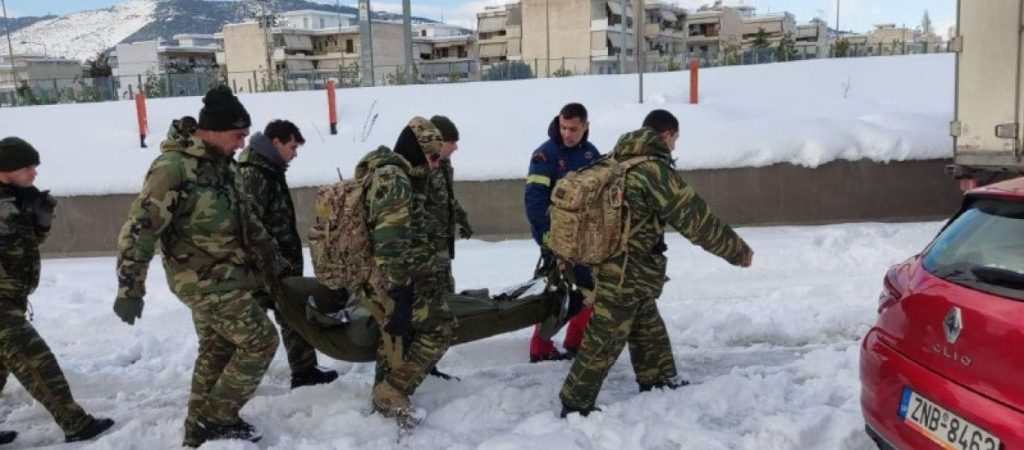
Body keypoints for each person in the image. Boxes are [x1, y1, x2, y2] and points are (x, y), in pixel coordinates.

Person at [558, 109, 754, 417]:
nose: (674, 147)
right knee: (605, 337)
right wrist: (737, 251)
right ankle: (575, 402)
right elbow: (695, 218)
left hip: (625, 267)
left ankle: (659, 378)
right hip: (624, 270)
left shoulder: (617, 159)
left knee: (645, 320)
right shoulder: (653, 170)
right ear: (666, 135)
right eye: (675, 139)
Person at [113, 86, 280, 447]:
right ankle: (217, 419)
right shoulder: (173, 169)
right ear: (214, 130)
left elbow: (247, 220)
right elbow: (140, 229)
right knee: (261, 341)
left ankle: (197, 430)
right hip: (201, 281)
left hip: (229, 277)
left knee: (218, 349)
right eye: (238, 135)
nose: (242, 143)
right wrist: (130, 289)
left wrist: (271, 259)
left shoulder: (224, 166)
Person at [0, 137, 115, 445]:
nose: (34, 173)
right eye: (27, 167)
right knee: (35, 359)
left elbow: (25, 245)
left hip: (11, 296)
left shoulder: (19, 197)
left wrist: (41, 219)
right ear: (6, 168)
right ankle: (75, 423)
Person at [355, 117, 455, 428]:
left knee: (393, 337)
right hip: (393, 280)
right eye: (432, 156)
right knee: (441, 329)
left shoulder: (388, 171)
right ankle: (393, 390)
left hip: (387, 277)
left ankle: (385, 395)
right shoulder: (395, 180)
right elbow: (390, 242)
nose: (435, 164)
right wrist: (400, 291)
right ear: (417, 149)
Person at [238, 120, 339, 389]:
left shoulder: (270, 169)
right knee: (252, 325)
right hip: (265, 267)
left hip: (281, 262)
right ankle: (230, 381)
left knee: (293, 313)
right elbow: (250, 224)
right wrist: (270, 260)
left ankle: (304, 370)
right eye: (292, 147)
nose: (295, 154)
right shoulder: (254, 174)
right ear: (276, 143)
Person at [523, 102, 600, 362]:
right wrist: (548, 240)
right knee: (555, 294)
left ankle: (575, 343)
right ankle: (540, 348)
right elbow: (534, 202)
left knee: (589, 291)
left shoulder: (591, 155)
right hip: (556, 241)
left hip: (586, 242)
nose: (567, 134)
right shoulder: (544, 156)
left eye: (574, 129)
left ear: (586, 127)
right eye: (564, 127)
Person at [424, 115, 472, 294]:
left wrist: (463, 218)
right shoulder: (423, 167)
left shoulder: (443, 165)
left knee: (447, 291)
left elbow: (447, 198)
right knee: (436, 296)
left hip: (443, 242)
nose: (456, 147)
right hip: (429, 248)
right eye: (452, 142)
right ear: (439, 142)